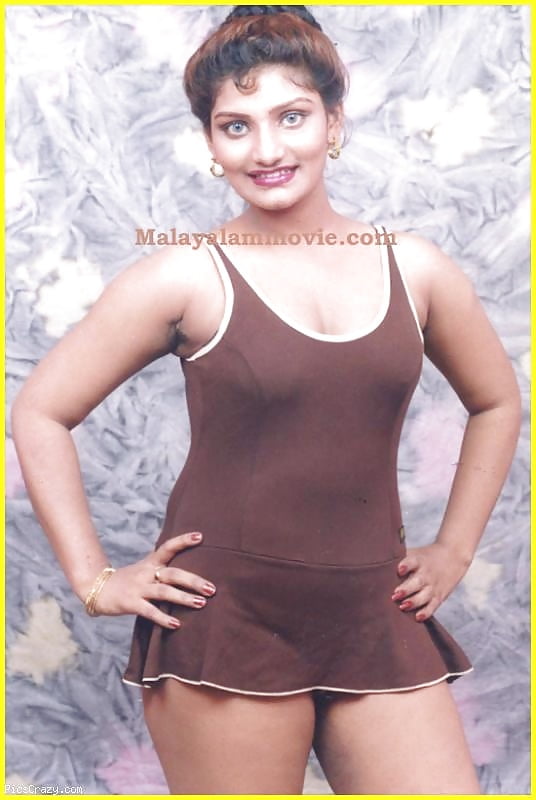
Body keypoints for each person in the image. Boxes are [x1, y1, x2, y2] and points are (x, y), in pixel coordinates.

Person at [11, 5, 521, 795]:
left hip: (373, 612)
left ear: (333, 122)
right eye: (236, 127)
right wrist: (96, 579)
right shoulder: (184, 275)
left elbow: (497, 402)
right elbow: (39, 410)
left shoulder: (415, 268)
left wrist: (453, 550)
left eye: (292, 116)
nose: (268, 149)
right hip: (227, 619)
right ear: (211, 145)